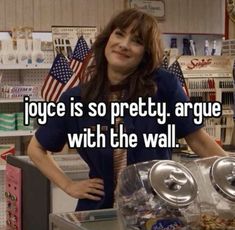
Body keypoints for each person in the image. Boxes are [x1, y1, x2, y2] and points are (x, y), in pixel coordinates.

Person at [27, 8, 227, 211]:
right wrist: (68, 185)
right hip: (100, 213)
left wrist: (231, 173)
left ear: (146, 53)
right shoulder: (76, 99)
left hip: (156, 211)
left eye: (137, 41)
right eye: (120, 34)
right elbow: (36, 149)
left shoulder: (163, 87)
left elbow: (199, 140)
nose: (124, 45)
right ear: (107, 38)